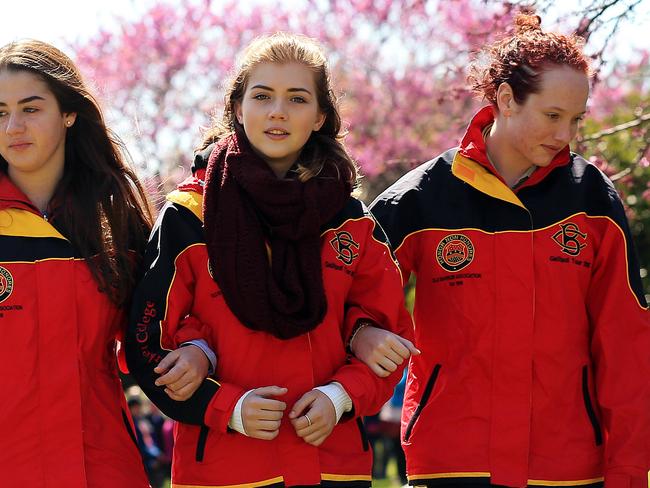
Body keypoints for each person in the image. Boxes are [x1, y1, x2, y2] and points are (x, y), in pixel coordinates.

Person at [369, 13, 650, 488]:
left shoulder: (591, 198)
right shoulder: (420, 199)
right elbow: (349, 293)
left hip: (566, 470)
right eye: (552, 116)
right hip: (452, 464)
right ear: (504, 99)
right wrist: (364, 332)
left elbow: (626, 345)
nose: (566, 135)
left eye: (575, 119)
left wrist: (627, 474)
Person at [126, 32, 414, 487]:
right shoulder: (189, 216)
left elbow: (391, 335)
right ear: (238, 109)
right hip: (224, 469)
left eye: (297, 98)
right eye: (262, 96)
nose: (277, 111)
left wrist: (341, 396)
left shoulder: (351, 221)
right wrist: (227, 407)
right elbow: (145, 343)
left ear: (320, 117)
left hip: (333, 466)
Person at [0, 40, 152, 486]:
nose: (13, 126)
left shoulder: (116, 223)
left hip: (104, 468)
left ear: (69, 113)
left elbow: (153, 342)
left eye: (31, 108)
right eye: (0, 111)